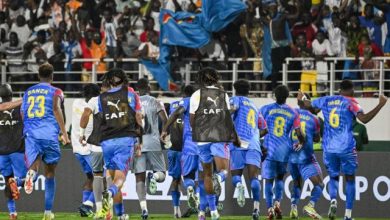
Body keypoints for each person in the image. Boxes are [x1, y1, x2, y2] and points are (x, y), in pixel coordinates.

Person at [297, 79, 388, 220]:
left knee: (333, 176)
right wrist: (380, 105)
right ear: (352, 91)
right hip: (346, 147)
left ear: (339, 90)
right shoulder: (351, 102)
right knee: (350, 179)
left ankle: (333, 201)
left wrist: (302, 97)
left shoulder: (327, 99)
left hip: (329, 147)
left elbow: (309, 107)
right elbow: (363, 119)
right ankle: (347, 215)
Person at [189, 68, 240, 220]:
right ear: (216, 78)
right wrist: (235, 136)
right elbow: (227, 118)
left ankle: (211, 212)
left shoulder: (195, 95)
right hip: (218, 135)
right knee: (224, 170)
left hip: (201, 138)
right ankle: (221, 178)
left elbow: (192, 120)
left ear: (201, 79)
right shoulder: (222, 94)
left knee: (207, 175)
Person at [21, 63, 70, 220]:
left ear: (38, 76)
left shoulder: (28, 92)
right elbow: (57, 109)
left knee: (34, 167)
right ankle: (48, 213)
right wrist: (64, 133)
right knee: (49, 173)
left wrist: (28, 129)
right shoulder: (56, 91)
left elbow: (23, 112)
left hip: (31, 134)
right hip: (49, 134)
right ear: (52, 76)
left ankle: (30, 176)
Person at [96, 68, 143, 220]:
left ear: (109, 81)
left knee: (111, 178)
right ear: (125, 79)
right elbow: (138, 117)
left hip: (107, 140)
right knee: (120, 179)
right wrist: (139, 140)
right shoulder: (131, 93)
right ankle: (109, 194)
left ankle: (120, 214)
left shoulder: (101, 97)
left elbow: (100, 118)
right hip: (125, 138)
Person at [260, 85, 304, 219]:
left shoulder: (265, 109)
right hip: (284, 150)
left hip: (269, 148)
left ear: (274, 95)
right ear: (286, 96)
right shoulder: (293, 112)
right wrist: (301, 142)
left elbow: (258, 127)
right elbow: (299, 133)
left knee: (268, 181)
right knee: (279, 178)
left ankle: (269, 209)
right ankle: (277, 203)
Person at [229, 80, 268, 220]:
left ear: (235, 89)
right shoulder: (254, 106)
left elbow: (231, 109)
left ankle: (239, 185)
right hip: (253, 145)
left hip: (238, 143)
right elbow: (264, 129)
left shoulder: (234, 99)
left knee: (236, 176)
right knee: (254, 178)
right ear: (249, 90)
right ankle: (256, 209)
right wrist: (256, 137)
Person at [161, 85, 198, 218]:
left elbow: (165, 114)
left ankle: (176, 210)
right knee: (192, 178)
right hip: (189, 148)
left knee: (175, 180)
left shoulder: (172, 105)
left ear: (182, 93)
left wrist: (164, 130)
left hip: (174, 149)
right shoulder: (195, 104)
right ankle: (195, 204)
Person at [134, 78, 168, 220]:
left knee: (139, 178)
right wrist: (164, 133)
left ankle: (144, 209)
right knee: (162, 175)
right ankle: (153, 176)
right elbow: (165, 119)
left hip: (138, 145)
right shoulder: (156, 101)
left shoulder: (132, 102)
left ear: (137, 88)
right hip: (153, 142)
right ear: (148, 87)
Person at [288, 93, 323, 219]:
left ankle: (293, 207)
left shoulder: (292, 113)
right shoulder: (314, 118)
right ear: (308, 102)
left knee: (297, 183)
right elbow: (317, 138)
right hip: (305, 157)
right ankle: (310, 205)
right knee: (319, 184)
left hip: (291, 156)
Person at [79, 83, 110, 217]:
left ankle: (98, 210)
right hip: (113, 144)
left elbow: (86, 114)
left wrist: (82, 133)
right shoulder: (121, 98)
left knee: (97, 175)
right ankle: (109, 209)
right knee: (109, 176)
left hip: (97, 144)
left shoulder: (94, 100)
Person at [71, 84, 101, 217]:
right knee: (102, 179)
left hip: (76, 149)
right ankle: (87, 204)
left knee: (90, 178)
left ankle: (85, 210)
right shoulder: (95, 106)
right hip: (89, 148)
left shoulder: (75, 103)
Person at [0, 84, 26, 220]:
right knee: (28, 179)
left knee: (6, 180)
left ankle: (12, 213)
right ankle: (17, 182)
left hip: (2, 153)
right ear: (11, 94)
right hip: (17, 151)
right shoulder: (20, 107)